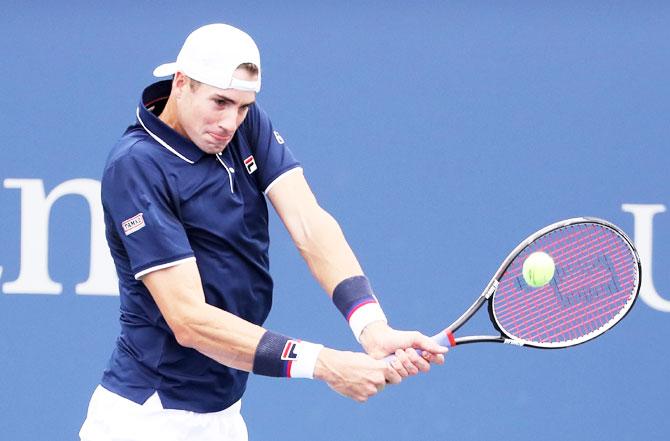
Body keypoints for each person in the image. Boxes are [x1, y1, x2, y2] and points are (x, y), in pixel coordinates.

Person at [79, 23, 447, 441]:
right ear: (180, 84)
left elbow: (309, 223)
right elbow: (189, 320)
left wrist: (371, 326)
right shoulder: (137, 165)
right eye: (219, 102)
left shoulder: (243, 126)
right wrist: (325, 364)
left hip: (223, 415)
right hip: (149, 419)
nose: (229, 121)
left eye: (242, 106)